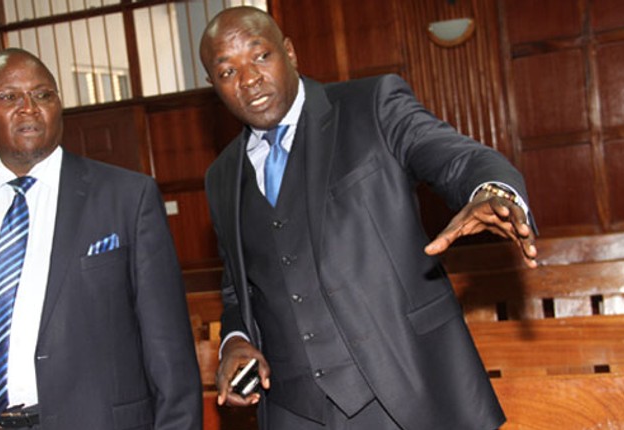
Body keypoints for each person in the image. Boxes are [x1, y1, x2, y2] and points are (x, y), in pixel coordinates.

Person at [200, 6, 538, 430]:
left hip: (405, 391)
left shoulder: (371, 104)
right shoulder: (220, 177)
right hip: (294, 411)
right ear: (213, 85)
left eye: (260, 56)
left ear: (289, 52)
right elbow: (237, 289)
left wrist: (490, 189)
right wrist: (235, 341)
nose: (248, 79)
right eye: (227, 72)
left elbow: (459, 159)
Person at [0, 48, 202, 430]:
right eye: (9, 97)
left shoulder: (126, 197)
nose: (29, 108)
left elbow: (170, 351)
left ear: (59, 105)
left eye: (43, 94)